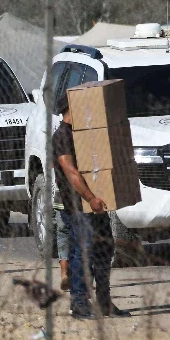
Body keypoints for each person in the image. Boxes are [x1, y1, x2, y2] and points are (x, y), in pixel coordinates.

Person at [52, 91, 130, 319]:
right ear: (70, 110)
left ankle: (105, 303)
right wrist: (91, 198)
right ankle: (79, 304)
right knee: (83, 253)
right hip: (78, 205)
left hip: (95, 204)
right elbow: (71, 172)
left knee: (104, 251)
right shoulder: (62, 136)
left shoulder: (83, 134)